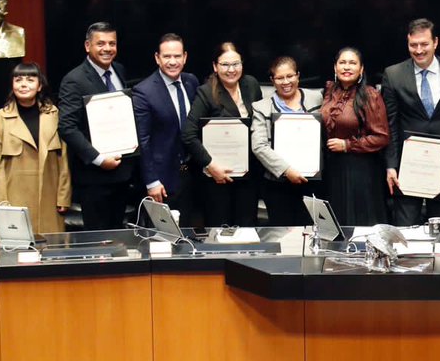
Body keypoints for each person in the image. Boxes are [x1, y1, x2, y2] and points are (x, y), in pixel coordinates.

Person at [382, 19, 440, 226]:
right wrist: (391, 165)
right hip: (408, 168)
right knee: (405, 233)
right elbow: (391, 123)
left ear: (435, 42)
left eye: (424, 44)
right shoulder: (394, 74)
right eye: (413, 45)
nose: (418, 50)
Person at [58, 22, 136, 230]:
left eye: (112, 43)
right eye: (100, 43)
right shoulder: (74, 80)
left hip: (122, 173)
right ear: (87, 46)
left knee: (119, 237)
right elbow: (67, 127)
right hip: (94, 177)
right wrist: (99, 159)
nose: (107, 48)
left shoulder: (119, 70)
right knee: (100, 242)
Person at [181, 42, 263, 227]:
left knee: (247, 229)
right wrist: (211, 165)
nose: (231, 69)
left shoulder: (251, 85)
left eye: (236, 64)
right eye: (225, 65)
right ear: (215, 67)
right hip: (217, 178)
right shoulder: (206, 92)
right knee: (219, 230)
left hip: (248, 177)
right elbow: (188, 134)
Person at [0, 62, 71, 234]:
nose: (24, 84)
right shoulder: (0, 118)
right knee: (15, 254)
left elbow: (63, 159)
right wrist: (2, 205)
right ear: (12, 85)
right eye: (18, 80)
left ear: (40, 85)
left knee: (52, 254)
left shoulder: (53, 114)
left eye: (30, 79)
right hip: (14, 200)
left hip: (49, 199)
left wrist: (63, 196)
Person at [132, 34, 200, 221]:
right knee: (163, 242)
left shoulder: (191, 82)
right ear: (157, 58)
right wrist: (152, 181)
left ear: (185, 57)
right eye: (167, 56)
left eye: (177, 56)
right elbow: (142, 141)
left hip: (191, 177)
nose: (172, 62)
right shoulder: (144, 91)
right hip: (162, 181)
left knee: (189, 236)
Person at [251, 56, 324, 226]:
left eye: (290, 76)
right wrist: (286, 170)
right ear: (272, 80)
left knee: (311, 232)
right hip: (278, 185)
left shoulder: (317, 99)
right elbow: (259, 146)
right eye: (279, 78)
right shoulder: (261, 107)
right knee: (283, 235)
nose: (286, 82)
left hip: (312, 182)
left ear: (298, 75)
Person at [322, 47, 391, 225]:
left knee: (359, 222)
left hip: (360, 170)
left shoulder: (370, 95)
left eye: (352, 63)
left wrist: (347, 145)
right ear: (335, 67)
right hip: (333, 169)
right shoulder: (329, 91)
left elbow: (381, 137)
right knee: (336, 222)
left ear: (361, 69)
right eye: (342, 63)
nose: (347, 67)